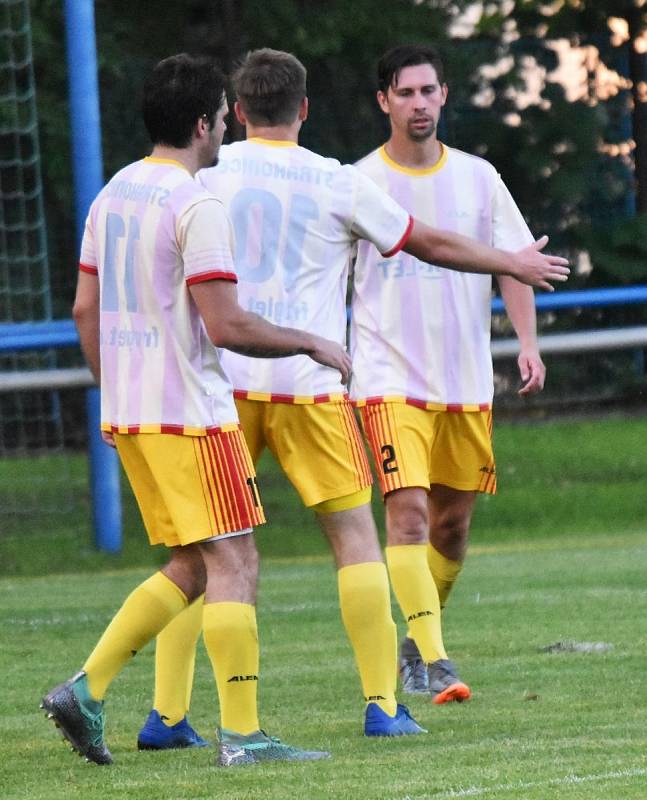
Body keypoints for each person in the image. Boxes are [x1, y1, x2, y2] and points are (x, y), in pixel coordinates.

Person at [136, 48, 569, 749]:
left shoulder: (201, 178)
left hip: (219, 387)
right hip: (308, 383)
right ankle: (380, 704)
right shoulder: (337, 180)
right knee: (355, 541)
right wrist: (508, 261)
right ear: (303, 108)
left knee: (204, 549)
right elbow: (425, 242)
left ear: (237, 113)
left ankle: (166, 713)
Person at [40, 53, 352, 768]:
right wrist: (312, 341)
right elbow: (227, 324)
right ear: (203, 122)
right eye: (218, 113)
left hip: (135, 412)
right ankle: (242, 735)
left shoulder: (113, 192)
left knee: (193, 561)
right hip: (191, 412)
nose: (222, 127)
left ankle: (85, 689)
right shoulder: (195, 202)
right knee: (237, 558)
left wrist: (113, 388)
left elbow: (85, 308)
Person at [350, 43, 548, 698]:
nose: (418, 104)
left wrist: (526, 341)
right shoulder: (357, 183)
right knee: (404, 511)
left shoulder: (477, 177)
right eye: (405, 93)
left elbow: (515, 261)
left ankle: (414, 639)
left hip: (463, 380)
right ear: (384, 101)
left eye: (428, 91)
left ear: (443, 95)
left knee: (450, 526)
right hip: (384, 378)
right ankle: (435, 658)